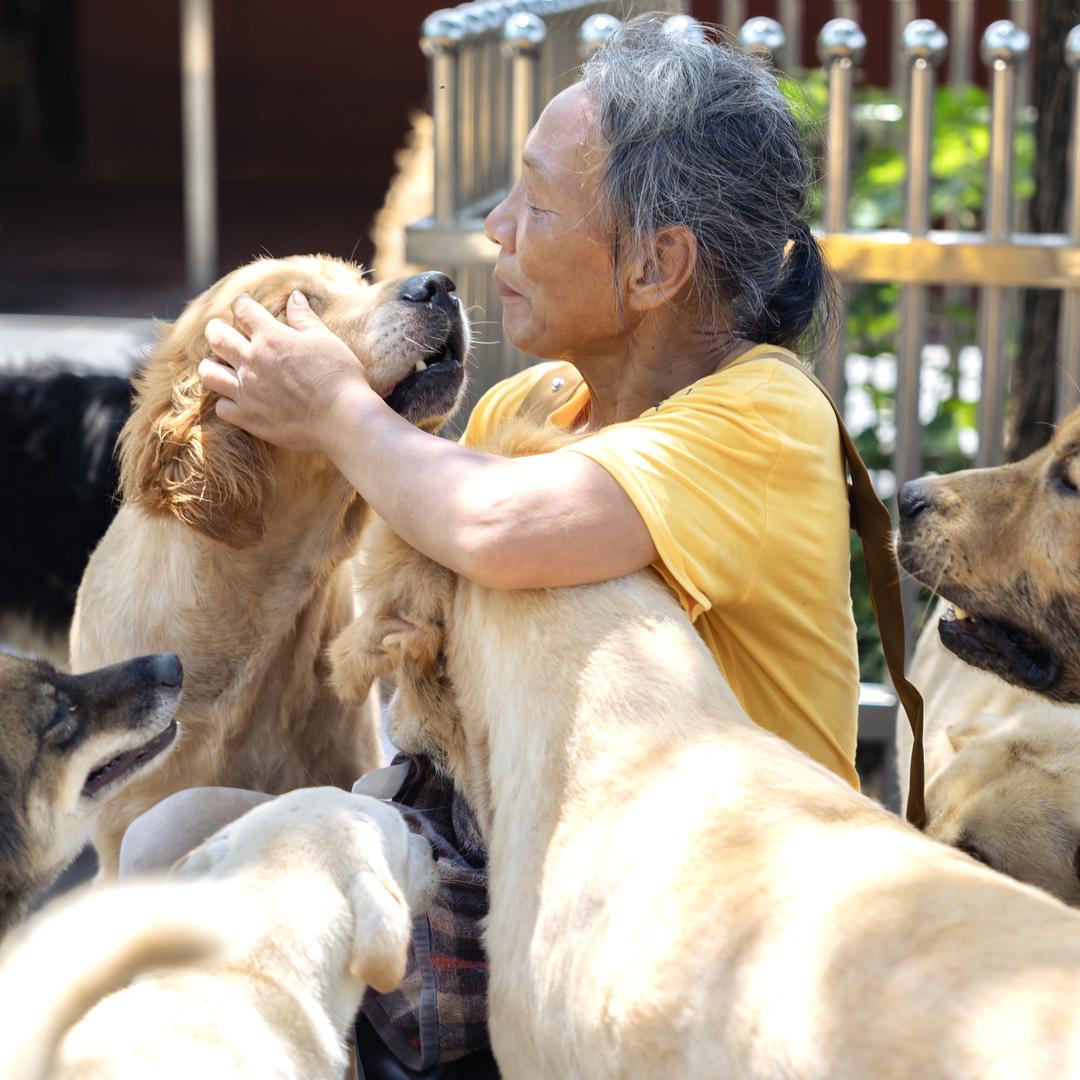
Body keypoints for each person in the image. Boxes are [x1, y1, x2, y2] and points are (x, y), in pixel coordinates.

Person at [127, 15, 860, 1076]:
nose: (498, 231)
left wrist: (337, 407)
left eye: (537, 203)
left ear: (658, 265)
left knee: (252, 932)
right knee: (164, 838)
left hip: (688, 900)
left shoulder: (761, 417)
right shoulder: (537, 400)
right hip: (494, 846)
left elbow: (494, 526)